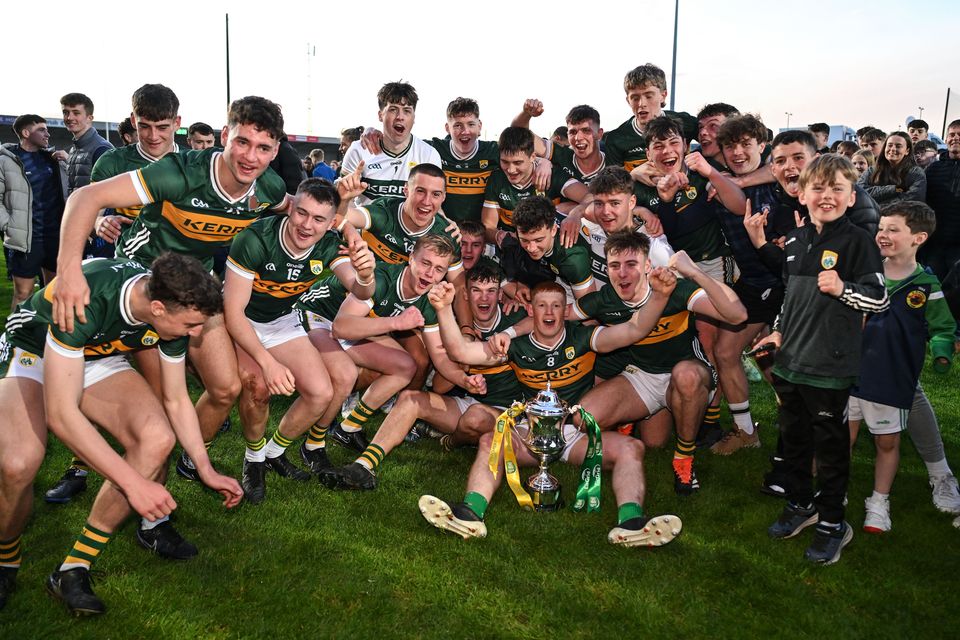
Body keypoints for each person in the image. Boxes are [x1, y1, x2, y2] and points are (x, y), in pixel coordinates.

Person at [51, 96, 291, 484]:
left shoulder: (268, 188)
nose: (251, 156)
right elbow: (86, 197)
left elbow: (298, 210)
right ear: (225, 136)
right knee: (159, 407)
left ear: (275, 150)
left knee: (227, 388)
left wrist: (344, 217)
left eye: (263, 147)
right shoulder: (180, 173)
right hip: (144, 288)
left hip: (195, 290)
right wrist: (68, 273)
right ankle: (127, 486)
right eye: (242, 142)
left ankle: (193, 459)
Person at [0, 253, 242, 615]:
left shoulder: (172, 311)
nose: (197, 333)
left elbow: (176, 399)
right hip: (32, 350)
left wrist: (204, 467)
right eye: (192, 325)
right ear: (158, 308)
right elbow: (63, 415)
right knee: (19, 463)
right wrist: (134, 483)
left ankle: (73, 569)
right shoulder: (85, 301)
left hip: (94, 354)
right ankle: (6, 557)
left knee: (157, 438)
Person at [418, 276, 684, 548]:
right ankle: (469, 513)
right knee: (491, 441)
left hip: (575, 434)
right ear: (531, 310)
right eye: (542, 306)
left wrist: (661, 296)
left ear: (564, 310)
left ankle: (631, 523)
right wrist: (442, 308)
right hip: (530, 434)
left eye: (556, 306)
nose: (549, 313)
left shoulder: (584, 337)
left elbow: (634, 330)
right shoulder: (514, 347)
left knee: (632, 447)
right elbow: (461, 351)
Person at [46, 83, 184, 503]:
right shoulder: (113, 161)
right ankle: (80, 466)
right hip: (119, 290)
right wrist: (100, 223)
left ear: (176, 123)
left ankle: (156, 489)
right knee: (81, 384)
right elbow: (85, 209)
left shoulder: (191, 166)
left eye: (162, 127)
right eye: (145, 127)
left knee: (165, 398)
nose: (154, 136)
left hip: (170, 297)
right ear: (132, 122)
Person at [755, 154, 888, 565]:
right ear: (802, 192)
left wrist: (843, 289)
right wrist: (778, 328)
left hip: (830, 367)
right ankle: (800, 504)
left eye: (837, 189)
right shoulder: (794, 242)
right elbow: (790, 299)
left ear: (851, 198)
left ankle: (833, 522)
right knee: (794, 441)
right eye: (819, 188)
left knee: (830, 450)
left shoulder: (858, 242)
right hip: (791, 360)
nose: (826, 196)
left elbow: (880, 300)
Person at [223, 178, 375, 503]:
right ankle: (252, 460)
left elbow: (360, 290)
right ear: (291, 207)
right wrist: (268, 363)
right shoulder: (256, 238)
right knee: (258, 388)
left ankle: (273, 452)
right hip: (239, 321)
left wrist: (366, 275)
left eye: (319, 219)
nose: (307, 225)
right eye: (302, 213)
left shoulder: (329, 244)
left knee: (321, 393)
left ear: (331, 222)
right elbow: (233, 312)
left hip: (280, 322)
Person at [318, 259, 529, 490]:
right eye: (476, 291)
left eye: (491, 291)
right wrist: (463, 368)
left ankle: (450, 441)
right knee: (410, 399)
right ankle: (362, 467)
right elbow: (439, 386)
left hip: (507, 411)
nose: (484, 298)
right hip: (467, 403)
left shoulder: (515, 322)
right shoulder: (452, 325)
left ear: (501, 295)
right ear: (465, 296)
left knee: (475, 417)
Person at [572, 232, 746, 494]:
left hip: (688, 373)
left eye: (631, 265)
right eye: (614, 266)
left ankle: (684, 458)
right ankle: (642, 416)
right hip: (642, 376)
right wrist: (521, 308)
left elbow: (737, 315)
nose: (622, 274)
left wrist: (695, 272)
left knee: (685, 375)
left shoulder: (675, 289)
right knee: (585, 419)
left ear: (647, 267)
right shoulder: (603, 299)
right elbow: (556, 313)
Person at [848, 201, 956, 533]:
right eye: (881, 228)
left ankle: (879, 502)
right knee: (841, 437)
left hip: (890, 379)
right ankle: (830, 489)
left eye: (893, 229)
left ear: (918, 238)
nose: (882, 234)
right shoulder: (867, 272)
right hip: (849, 374)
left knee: (887, 443)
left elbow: (943, 326)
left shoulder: (926, 286)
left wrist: (942, 352)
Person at [706, 114, 785, 454]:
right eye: (729, 146)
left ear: (762, 145)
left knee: (778, 356)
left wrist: (743, 179)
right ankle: (747, 431)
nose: (737, 152)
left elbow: (786, 168)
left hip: (788, 279)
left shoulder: (779, 176)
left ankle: (798, 423)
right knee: (735, 352)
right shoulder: (719, 178)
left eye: (745, 145)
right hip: (756, 280)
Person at [1, 115, 68, 309]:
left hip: (54, 236)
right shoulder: (6, 161)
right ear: (25, 133)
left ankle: (48, 336)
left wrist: (68, 161)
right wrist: (9, 225)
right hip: (26, 240)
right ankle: (13, 339)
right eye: (41, 129)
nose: (48, 133)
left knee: (54, 292)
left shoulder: (52, 159)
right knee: (23, 293)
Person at [340, 82, 441, 205]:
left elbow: (432, 204)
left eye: (407, 111)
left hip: (409, 224)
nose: (400, 117)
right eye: (393, 109)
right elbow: (343, 201)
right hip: (364, 223)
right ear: (380, 115)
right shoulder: (359, 149)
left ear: (414, 118)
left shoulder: (428, 155)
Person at [482, 126, 587, 244]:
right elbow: (488, 226)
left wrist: (571, 213)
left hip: (550, 251)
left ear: (533, 156)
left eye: (518, 163)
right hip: (513, 248)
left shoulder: (552, 176)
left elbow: (591, 197)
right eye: (505, 162)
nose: (511, 170)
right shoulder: (497, 179)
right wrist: (499, 236)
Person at [604, 63, 698, 173]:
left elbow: (716, 144)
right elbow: (612, 186)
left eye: (649, 96)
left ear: (663, 95)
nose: (641, 103)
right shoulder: (616, 139)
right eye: (635, 98)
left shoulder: (685, 122)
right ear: (628, 100)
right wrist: (633, 176)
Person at [921, 119, 960, 279]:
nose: (955, 138)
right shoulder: (933, 169)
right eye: (952, 134)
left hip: (958, 248)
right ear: (946, 139)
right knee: (931, 291)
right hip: (935, 245)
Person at [859, 131, 927, 204]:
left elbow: (912, 200)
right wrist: (895, 189)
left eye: (898, 146)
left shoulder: (916, 173)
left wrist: (880, 206)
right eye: (890, 145)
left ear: (907, 151)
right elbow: (859, 192)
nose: (893, 149)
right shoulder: (872, 171)